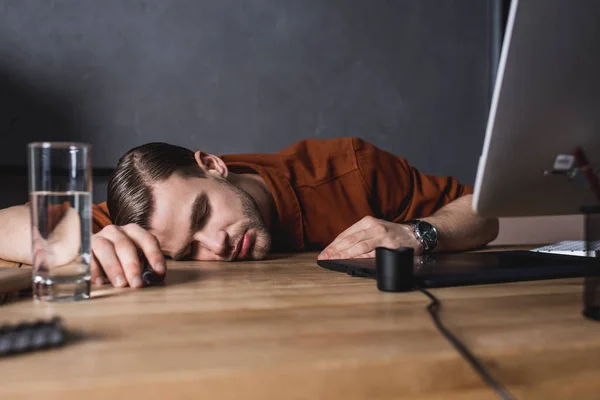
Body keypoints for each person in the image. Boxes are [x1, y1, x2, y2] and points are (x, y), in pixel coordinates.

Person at [0, 138, 499, 289]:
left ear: (213, 166)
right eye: (189, 250)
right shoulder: (149, 216)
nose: (213, 246)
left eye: (202, 217)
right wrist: (70, 242)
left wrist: (420, 232)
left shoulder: (348, 167)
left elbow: (485, 209)